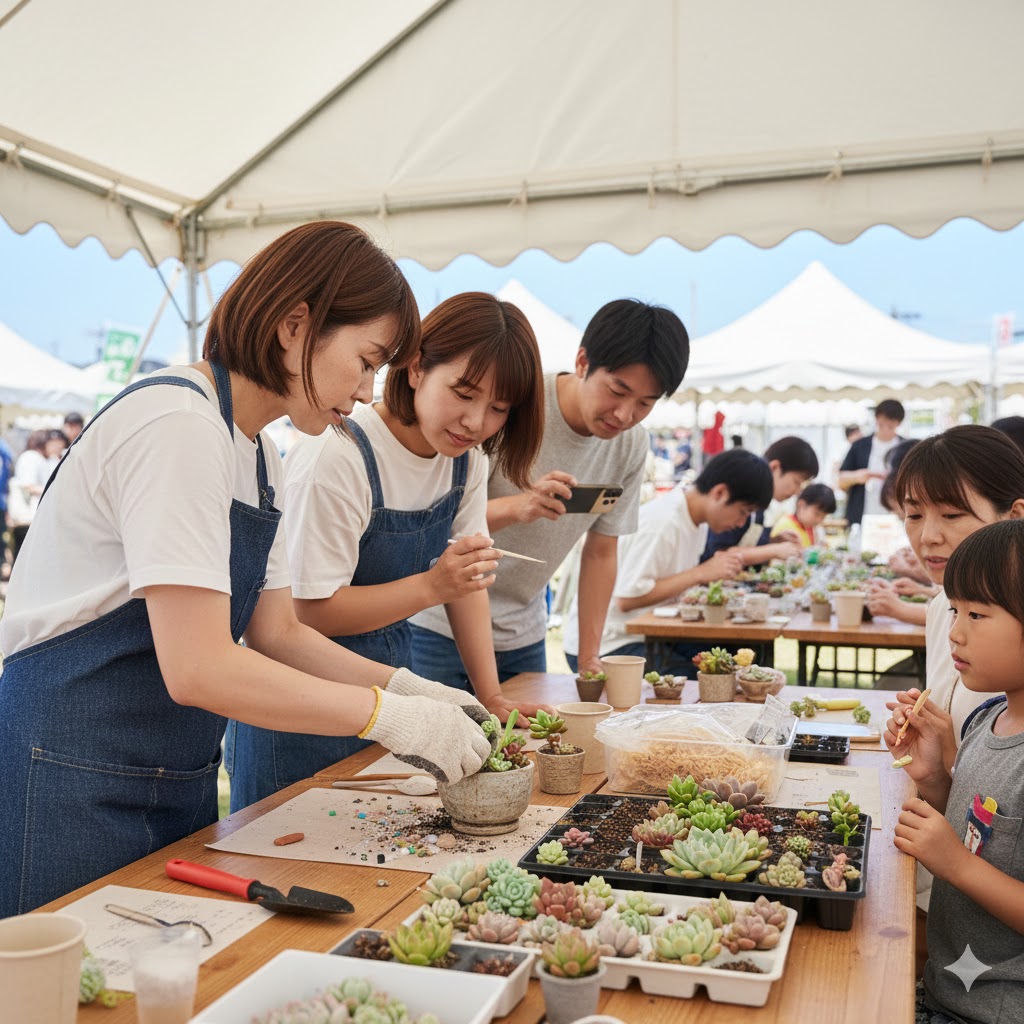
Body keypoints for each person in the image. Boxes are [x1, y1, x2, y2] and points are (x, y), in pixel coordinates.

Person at [0, 221, 495, 918]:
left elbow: (280, 634)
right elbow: (198, 667)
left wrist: (419, 692)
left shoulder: (258, 454)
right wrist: (389, 718)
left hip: (171, 771)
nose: (365, 391)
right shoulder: (178, 423)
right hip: (68, 770)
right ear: (297, 325)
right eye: (365, 361)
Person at [226, 292, 548, 808]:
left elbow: (465, 587)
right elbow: (303, 614)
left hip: (390, 698)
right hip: (296, 705)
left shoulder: (467, 464)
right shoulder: (339, 454)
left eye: (498, 409)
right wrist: (429, 586)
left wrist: (489, 697)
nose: (475, 421)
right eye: (463, 393)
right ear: (417, 368)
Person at [409, 298, 690, 683]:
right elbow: (437, 519)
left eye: (645, 403)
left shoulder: (630, 445)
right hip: (437, 624)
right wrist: (517, 507)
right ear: (582, 362)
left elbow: (601, 553)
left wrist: (590, 656)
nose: (625, 414)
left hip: (524, 633)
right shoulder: (512, 403)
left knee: (526, 742)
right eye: (617, 390)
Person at [882, 425, 1024, 919]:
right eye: (914, 515)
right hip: (940, 898)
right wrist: (937, 764)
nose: (928, 536)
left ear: (1015, 515)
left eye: (952, 513)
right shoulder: (943, 604)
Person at [886, 520, 1024, 1024]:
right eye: (954, 610)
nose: (955, 632)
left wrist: (956, 865)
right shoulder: (989, 717)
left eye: (978, 614)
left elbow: (965, 859)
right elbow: (980, 834)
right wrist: (936, 778)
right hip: (947, 993)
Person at [562, 449, 772, 672]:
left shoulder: (696, 521)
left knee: (734, 663)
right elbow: (627, 599)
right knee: (711, 679)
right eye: (743, 512)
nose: (742, 523)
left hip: (646, 635)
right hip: (607, 646)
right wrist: (702, 572)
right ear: (719, 492)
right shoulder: (663, 523)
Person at [701, 435, 818, 565]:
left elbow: (741, 542)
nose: (797, 492)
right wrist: (772, 550)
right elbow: (719, 553)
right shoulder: (743, 491)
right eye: (796, 482)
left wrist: (772, 541)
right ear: (775, 468)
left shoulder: (759, 504)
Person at [838, 399, 905, 525]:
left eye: (890, 425)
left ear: (898, 423)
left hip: (896, 516)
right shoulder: (859, 446)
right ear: (876, 418)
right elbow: (841, 479)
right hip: (861, 515)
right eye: (882, 423)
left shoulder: (905, 447)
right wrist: (858, 476)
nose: (885, 428)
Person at [8, 428, 49, 563]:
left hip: (27, 519)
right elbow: (28, 485)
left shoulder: (34, 457)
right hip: (27, 518)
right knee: (23, 558)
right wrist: (50, 490)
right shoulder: (32, 457)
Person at [769, 482, 836, 548]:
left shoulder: (813, 528)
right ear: (801, 505)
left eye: (823, 517)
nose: (819, 520)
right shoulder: (785, 525)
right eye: (816, 514)